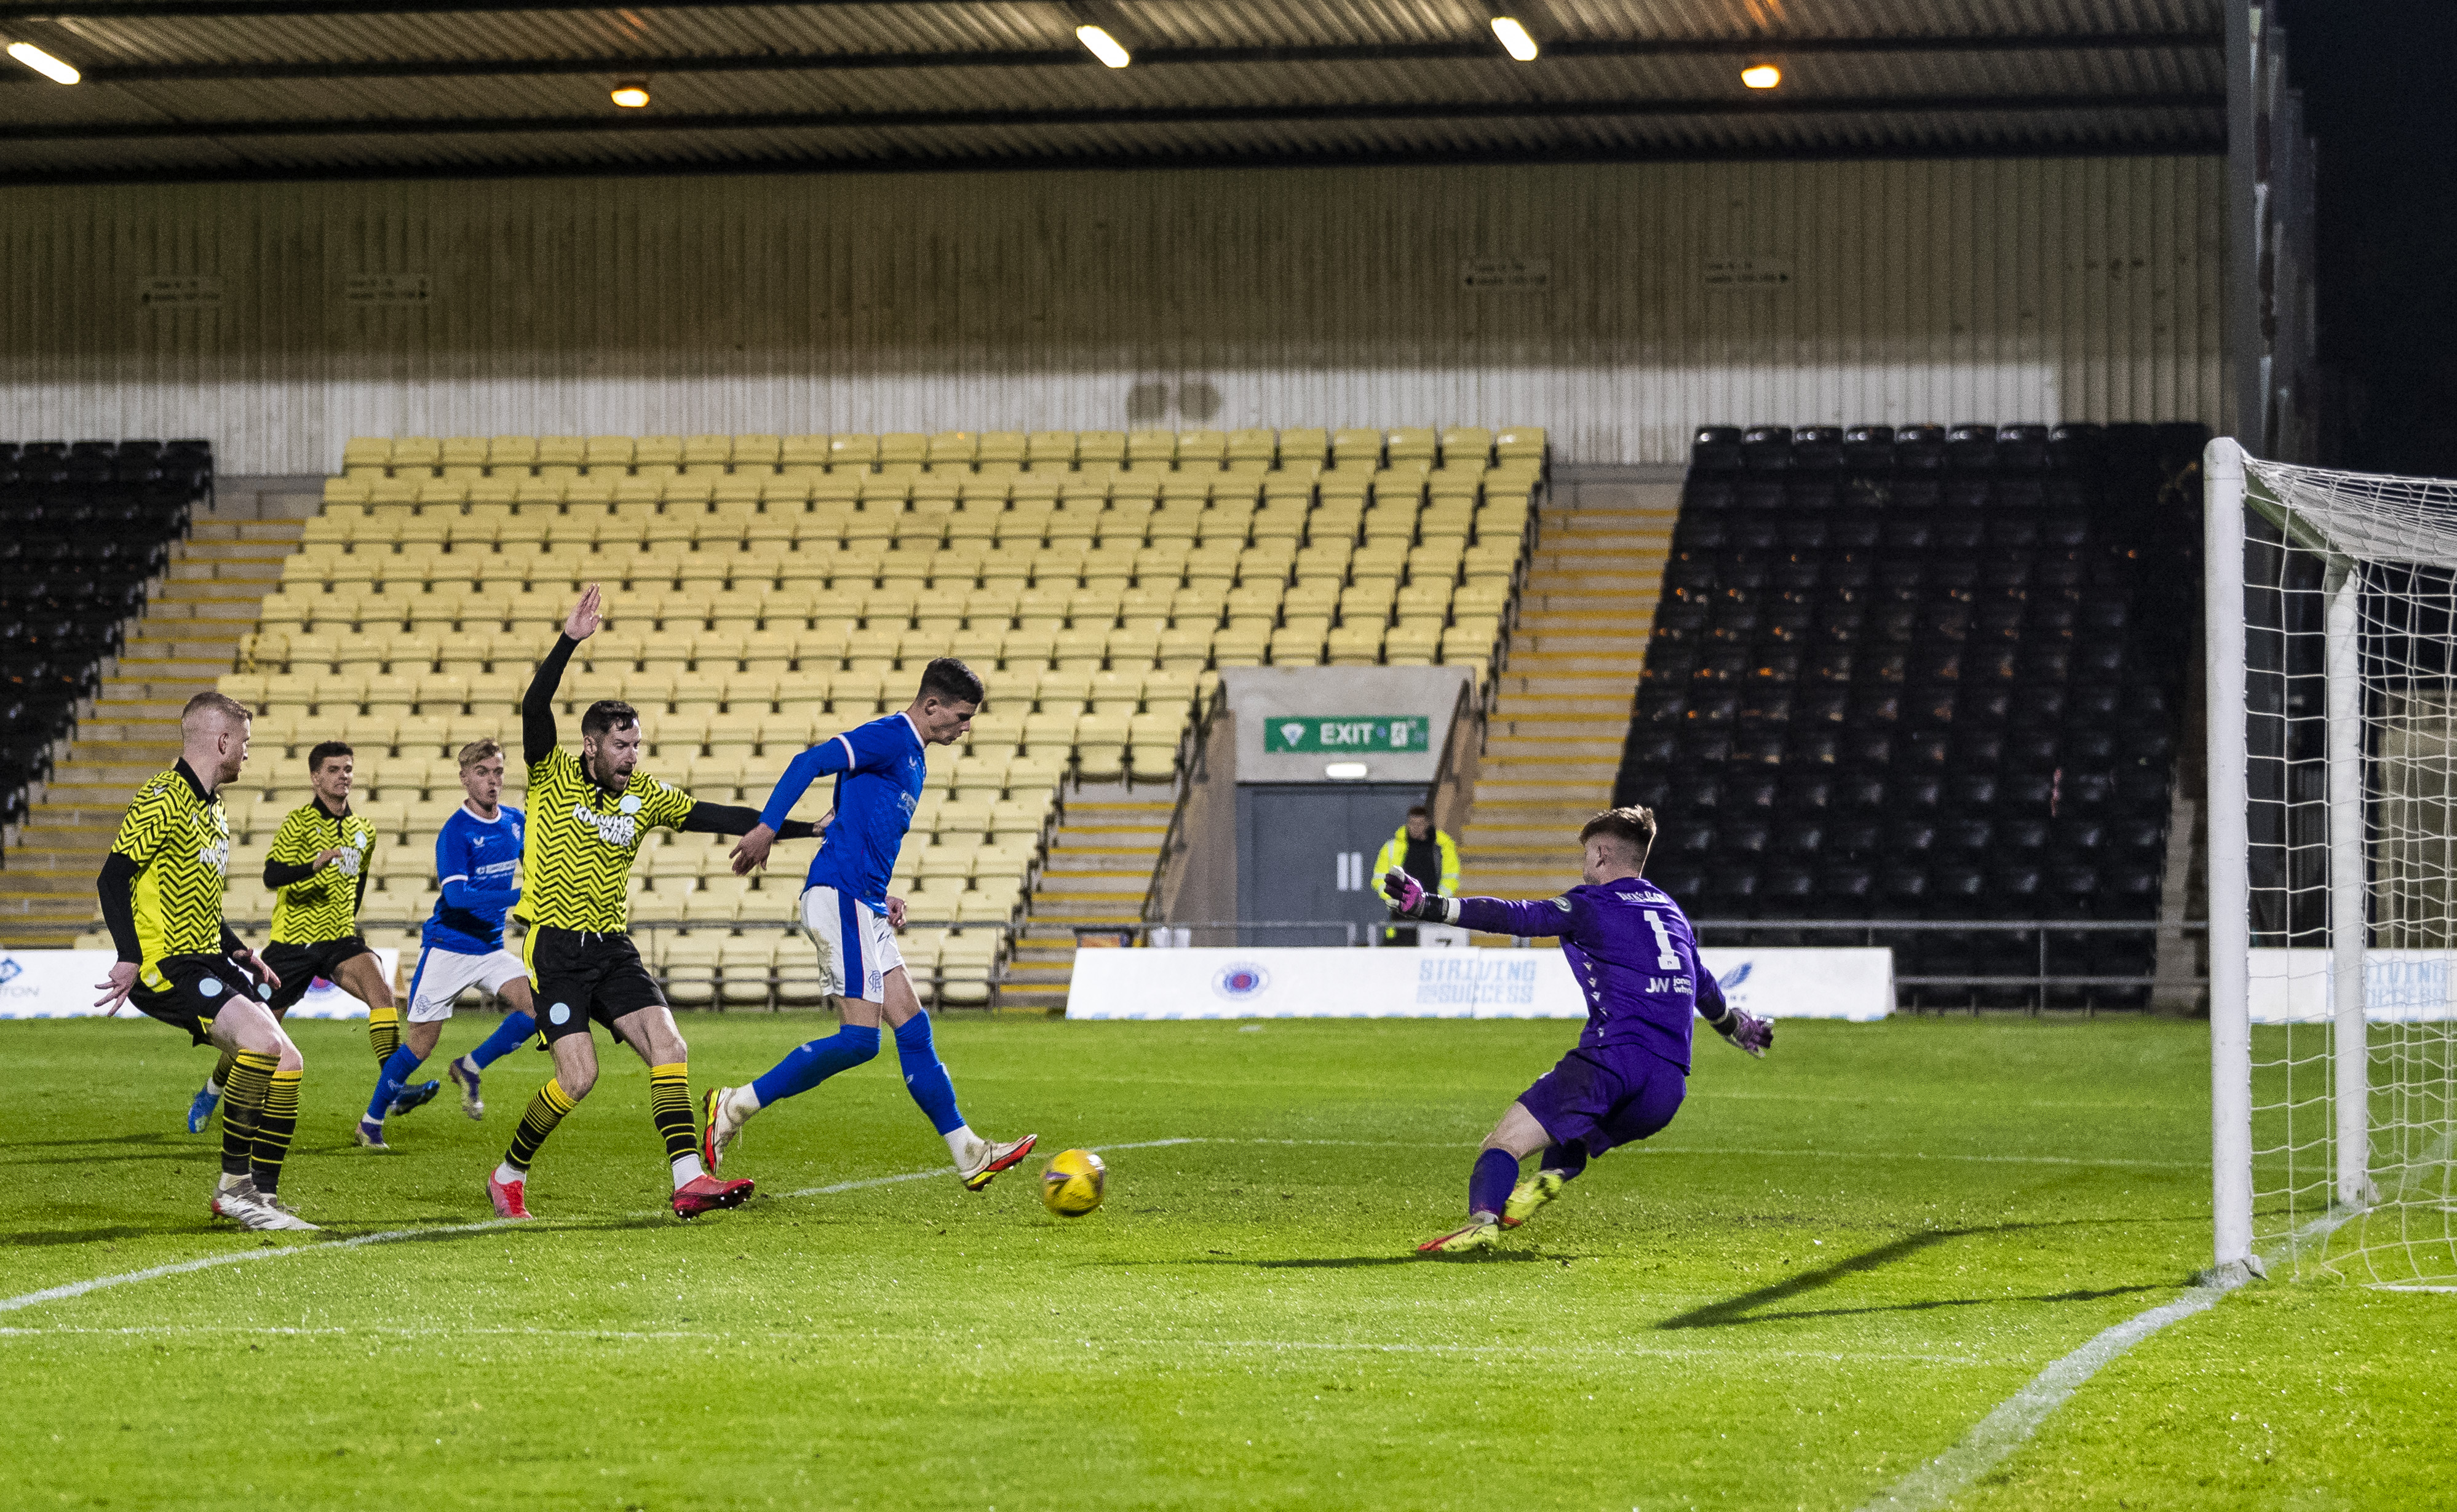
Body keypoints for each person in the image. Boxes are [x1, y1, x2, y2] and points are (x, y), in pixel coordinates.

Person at [486, 585, 819, 1221]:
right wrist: (569, 641)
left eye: (637, 744)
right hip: (555, 943)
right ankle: (507, 1174)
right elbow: (534, 702)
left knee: (671, 1046)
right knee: (577, 1079)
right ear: (590, 745)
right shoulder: (549, 774)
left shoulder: (645, 796)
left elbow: (723, 815)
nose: (631, 756)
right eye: (621, 745)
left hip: (612, 946)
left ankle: (688, 1178)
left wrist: (796, 827)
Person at [699, 657, 1038, 1192]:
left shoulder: (917, 759)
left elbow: (850, 825)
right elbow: (809, 759)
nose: (966, 726)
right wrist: (766, 826)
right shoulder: (890, 737)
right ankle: (734, 1105)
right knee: (860, 1041)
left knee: (914, 1029)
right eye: (962, 715)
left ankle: (968, 1151)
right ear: (931, 706)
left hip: (864, 900)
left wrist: (884, 895)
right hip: (840, 897)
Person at [1382, 805, 1773, 1254]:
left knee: (1503, 1142)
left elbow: (1517, 915)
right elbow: (1704, 986)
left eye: (1587, 854)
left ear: (1603, 854)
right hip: (1666, 1087)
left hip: (1610, 1063)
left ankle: (1483, 1221)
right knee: (1576, 1132)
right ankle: (1554, 1174)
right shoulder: (1671, 912)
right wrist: (1735, 1027)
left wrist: (1430, 905)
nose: (1584, 866)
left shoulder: (1591, 904)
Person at [94, 691, 317, 1231]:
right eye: (245, 741)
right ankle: (233, 1190)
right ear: (222, 741)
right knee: (261, 1045)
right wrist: (128, 955)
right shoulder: (163, 796)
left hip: (206, 959)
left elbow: (193, 897)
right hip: (165, 965)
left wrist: (239, 948)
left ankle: (259, 1197)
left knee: (288, 1061)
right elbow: (113, 876)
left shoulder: (211, 807)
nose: (248, 752)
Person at [186, 740, 423, 1134]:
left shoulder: (364, 830)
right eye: (333, 770)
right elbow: (271, 876)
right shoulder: (297, 823)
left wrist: (345, 920)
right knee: (256, 1033)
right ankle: (212, 1089)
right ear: (315, 778)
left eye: (348, 768)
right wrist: (313, 865)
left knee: (382, 992)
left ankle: (392, 1088)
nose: (343, 776)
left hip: (339, 941)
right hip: (291, 946)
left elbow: (359, 884)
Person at [357, 738, 541, 1149]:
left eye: (497, 772)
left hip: (490, 948)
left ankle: (471, 1065)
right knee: (421, 1042)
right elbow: (457, 898)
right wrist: (518, 897)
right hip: (448, 947)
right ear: (464, 778)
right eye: (482, 773)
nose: (492, 781)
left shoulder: (516, 821)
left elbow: (537, 866)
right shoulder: (455, 832)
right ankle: (370, 1122)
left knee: (538, 1007)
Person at [1373, 803, 1459, 945]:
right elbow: (1379, 878)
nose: (1415, 828)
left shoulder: (1443, 848)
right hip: (1403, 910)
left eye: (1420, 824)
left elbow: (1451, 877)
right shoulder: (1393, 847)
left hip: (1430, 910)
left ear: (1427, 824)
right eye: (1412, 823)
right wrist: (1395, 898)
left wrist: (1438, 900)